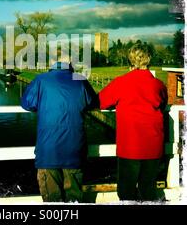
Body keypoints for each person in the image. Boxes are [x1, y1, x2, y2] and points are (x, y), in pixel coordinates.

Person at [21, 60, 98, 203]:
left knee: (52, 202)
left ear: (51, 65)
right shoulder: (80, 79)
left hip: (48, 151)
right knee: (74, 200)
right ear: (70, 66)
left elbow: (26, 103)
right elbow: (93, 102)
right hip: (75, 149)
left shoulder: (41, 79)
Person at [99, 43, 168, 201]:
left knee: (126, 191)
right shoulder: (158, 85)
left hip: (130, 146)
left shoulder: (121, 82)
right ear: (149, 59)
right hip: (153, 145)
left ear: (130, 59)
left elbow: (101, 101)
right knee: (148, 190)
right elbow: (163, 104)